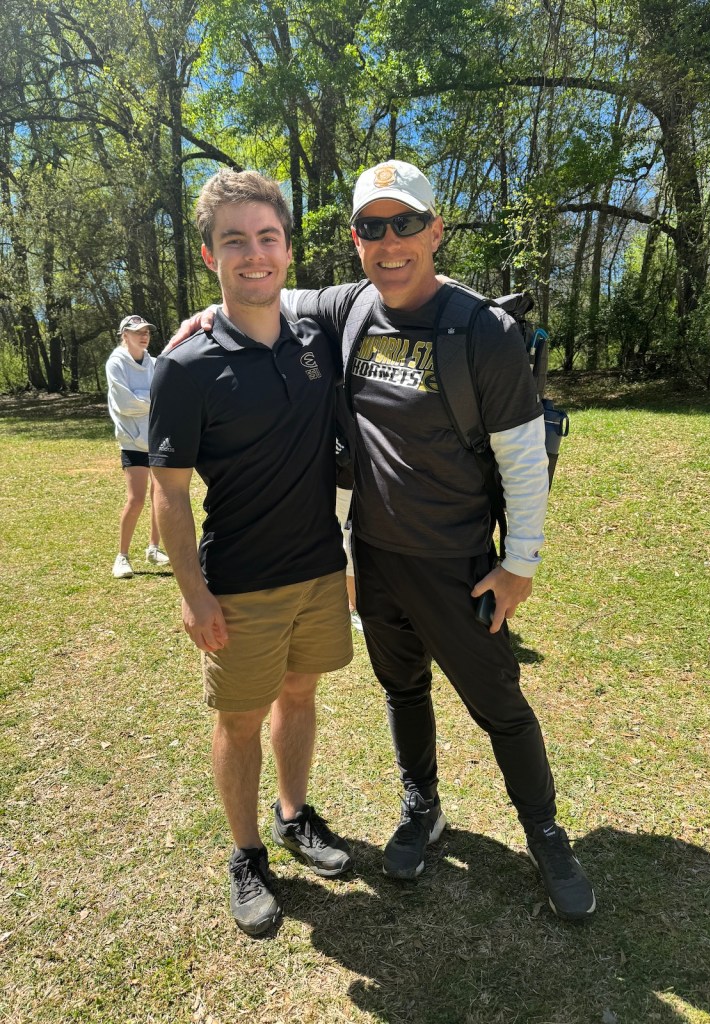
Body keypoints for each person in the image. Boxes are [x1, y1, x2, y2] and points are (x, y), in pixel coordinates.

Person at [173, 160, 596, 921]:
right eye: (374, 227)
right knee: (404, 690)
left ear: (436, 231)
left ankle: (545, 834)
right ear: (356, 239)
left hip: (459, 563)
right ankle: (422, 806)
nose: (390, 242)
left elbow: (523, 456)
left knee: (499, 704)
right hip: (373, 555)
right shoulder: (353, 305)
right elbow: (266, 283)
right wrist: (210, 310)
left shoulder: (484, 330)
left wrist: (520, 564)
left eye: (406, 224)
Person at [148, 169, 354, 938]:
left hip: (320, 570)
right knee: (239, 721)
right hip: (238, 585)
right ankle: (246, 855)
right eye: (234, 241)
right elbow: (169, 491)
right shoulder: (185, 366)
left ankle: (294, 816)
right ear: (210, 256)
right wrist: (191, 593)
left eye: (267, 237)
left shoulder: (318, 340)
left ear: (288, 250)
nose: (254, 253)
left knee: (300, 695)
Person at [105, 315, 171, 578]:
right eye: (137, 332)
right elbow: (125, 404)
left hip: (156, 437)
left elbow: (165, 396)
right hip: (132, 441)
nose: (144, 336)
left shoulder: (154, 362)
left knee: (159, 495)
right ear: (125, 335)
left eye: (147, 332)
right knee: (136, 499)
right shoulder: (116, 362)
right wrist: (152, 400)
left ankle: (153, 548)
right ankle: (122, 557)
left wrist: (145, 399)